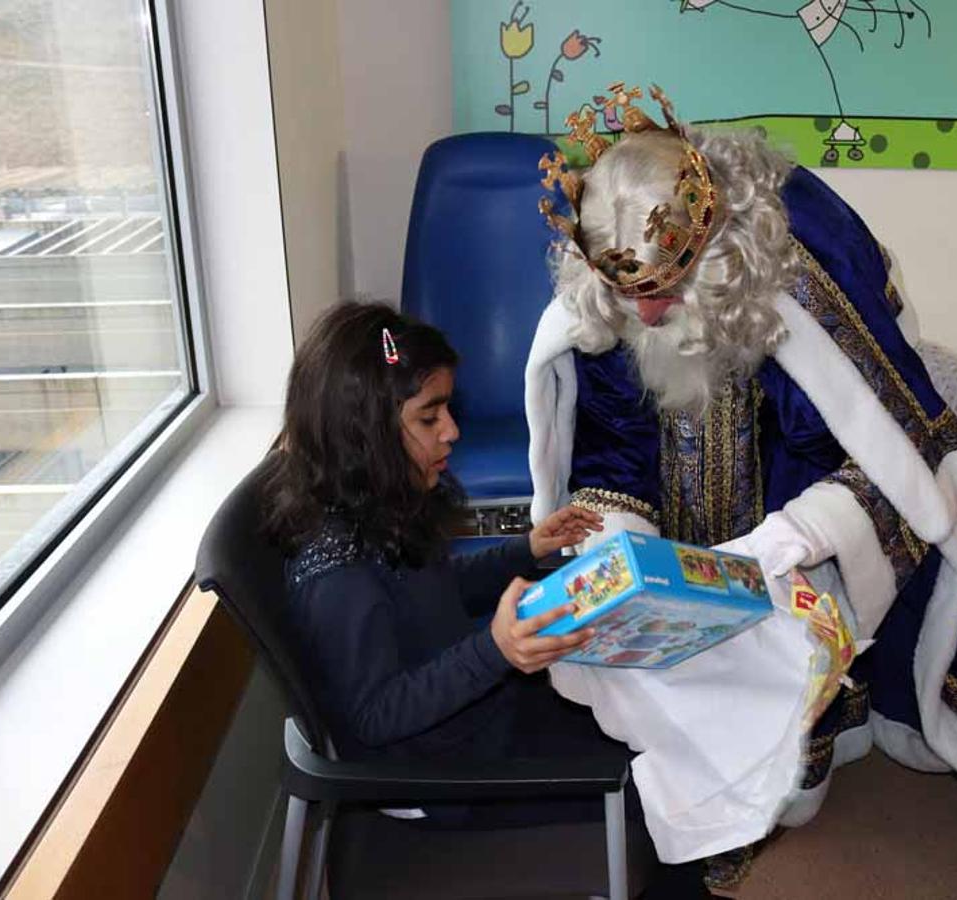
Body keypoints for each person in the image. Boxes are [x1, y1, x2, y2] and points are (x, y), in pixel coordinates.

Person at [525, 84, 957, 879]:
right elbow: (609, 450)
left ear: (713, 254)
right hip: (681, 535)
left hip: (787, 512)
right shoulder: (614, 305)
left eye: (665, 290)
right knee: (643, 649)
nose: (650, 316)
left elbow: (871, 450)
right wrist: (626, 549)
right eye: (631, 295)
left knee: (788, 720)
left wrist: (787, 539)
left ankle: (792, 755)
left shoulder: (799, 292)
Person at [260, 301, 711, 898]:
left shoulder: (374, 509)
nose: (452, 430)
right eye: (429, 417)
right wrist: (494, 650)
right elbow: (376, 717)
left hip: (474, 717)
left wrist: (524, 549)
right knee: (669, 781)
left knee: (651, 716)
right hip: (444, 775)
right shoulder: (337, 573)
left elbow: (437, 588)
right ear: (363, 433)